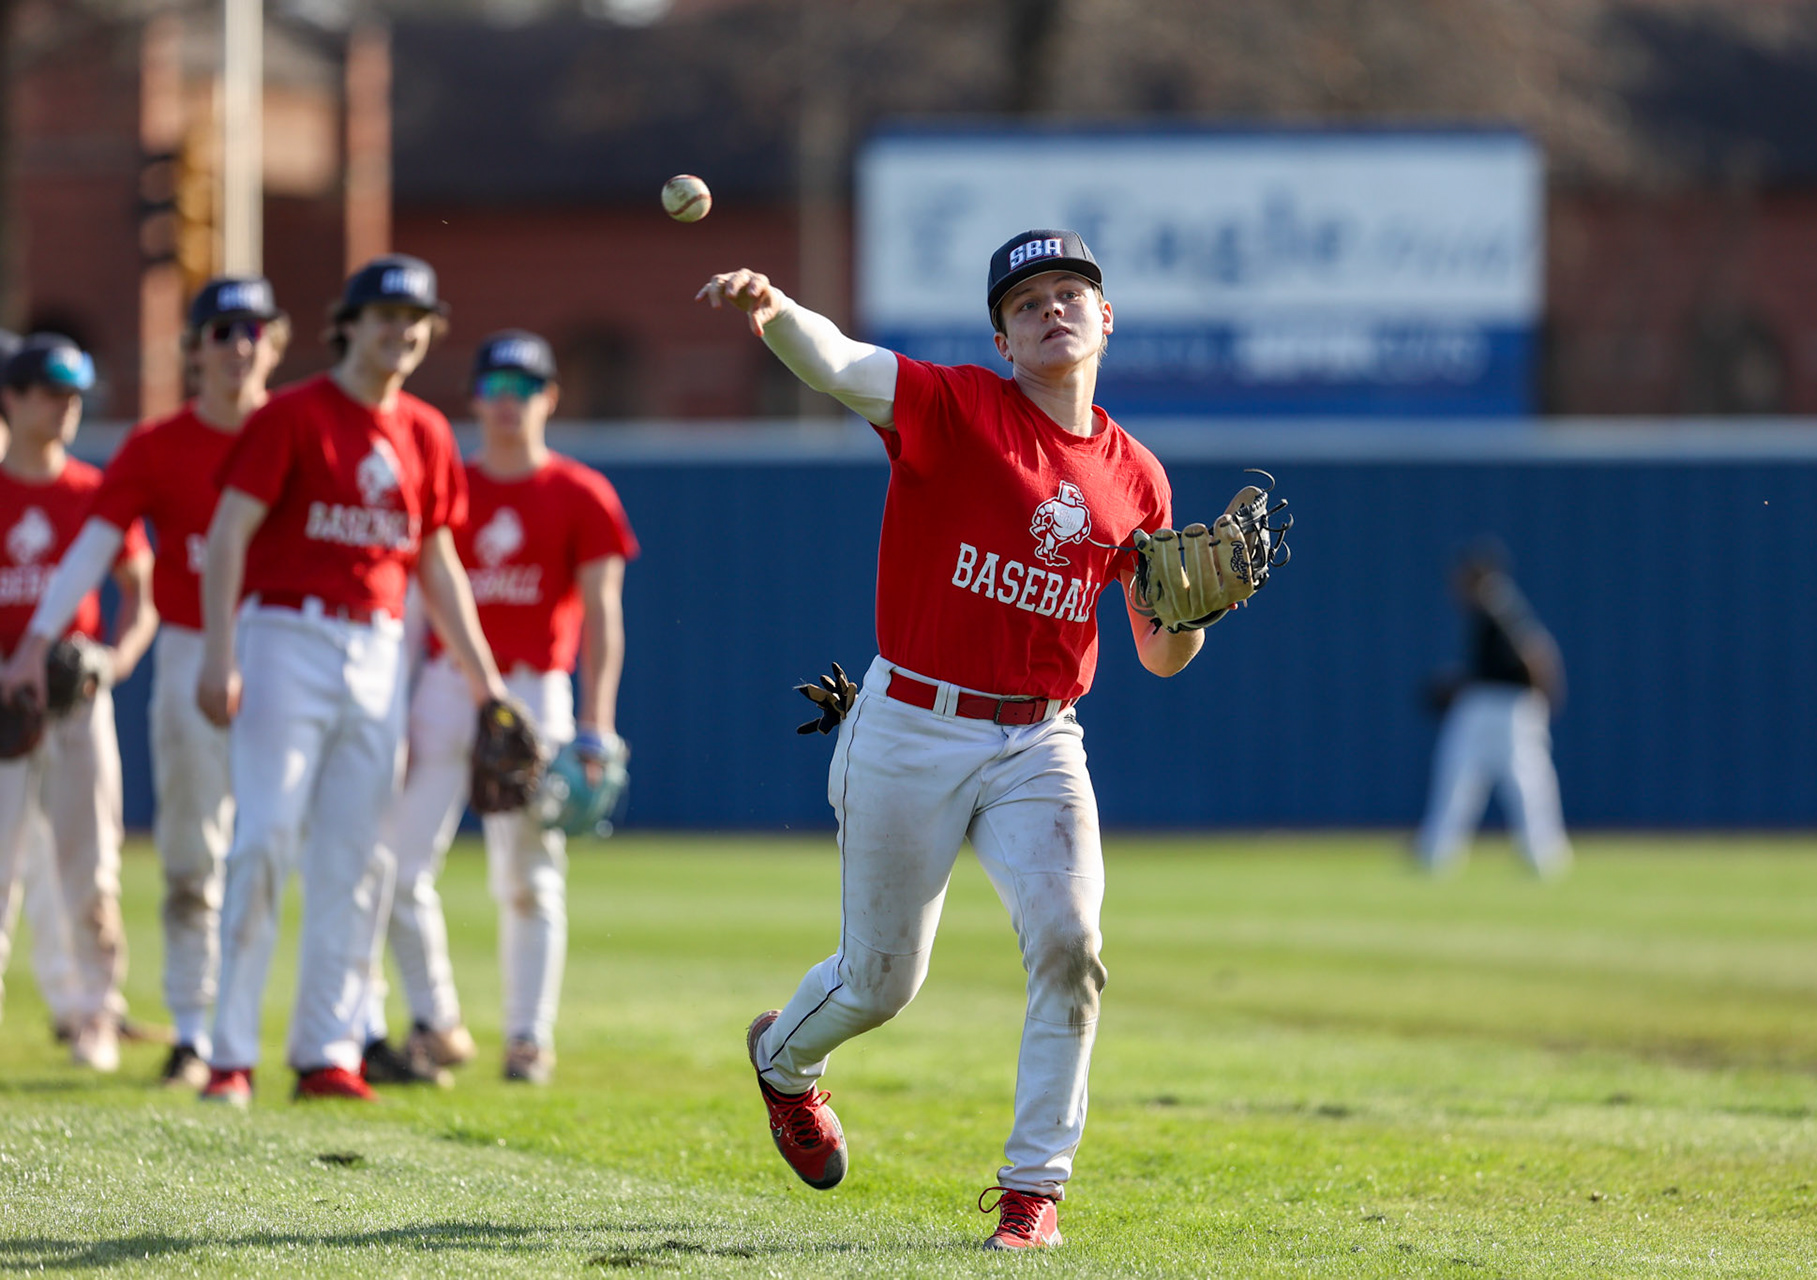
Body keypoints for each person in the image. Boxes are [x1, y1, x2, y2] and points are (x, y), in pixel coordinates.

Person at [698, 230, 1236, 1251]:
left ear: (1106, 317)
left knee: (1072, 946)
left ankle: (1035, 1193)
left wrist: (1202, 613)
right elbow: (845, 361)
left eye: (1072, 291)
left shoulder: (1138, 477)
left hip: (1040, 738)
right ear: (1002, 337)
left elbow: (1163, 656)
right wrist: (772, 310)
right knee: (880, 982)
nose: (1053, 309)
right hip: (910, 721)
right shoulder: (954, 407)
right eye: (1028, 300)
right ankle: (785, 1065)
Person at [194, 254, 510, 1106]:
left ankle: (328, 1050)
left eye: (417, 320)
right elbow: (227, 538)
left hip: (378, 649)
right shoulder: (292, 415)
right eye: (386, 317)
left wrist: (485, 684)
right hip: (283, 634)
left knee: (361, 856)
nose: (402, 333)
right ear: (349, 325)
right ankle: (228, 1053)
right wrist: (218, 653)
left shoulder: (428, 432)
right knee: (263, 839)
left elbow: (437, 564)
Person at [0, 278, 288, 1088]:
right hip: (86, 674)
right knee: (180, 855)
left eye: (253, 329)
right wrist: (32, 653)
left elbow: (137, 588)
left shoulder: (295, 427)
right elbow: (96, 559)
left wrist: (109, 661)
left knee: (280, 850)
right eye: (222, 330)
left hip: (255, 649)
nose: (240, 345)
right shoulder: (155, 451)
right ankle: (192, 1030)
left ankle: (330, 1031)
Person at [364, 329, 637, 1088]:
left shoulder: (581, 493)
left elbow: (603, 616)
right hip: (449, 688)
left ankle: (527, 1038)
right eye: (495, 389)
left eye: (524, 390)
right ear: (476, 398)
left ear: (549, 398)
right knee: (394, 861)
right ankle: (437, 1020)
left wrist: (597, 724)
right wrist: (401, 711)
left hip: (536, 691)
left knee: (529, 877)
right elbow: (418, 606)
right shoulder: (452, 481)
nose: (508, 404)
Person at [0, 335, 158, 1070]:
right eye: (49, 392)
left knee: (91, 864)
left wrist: (118, 661)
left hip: (76, 700)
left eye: (73, 395)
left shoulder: (94, 493)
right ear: (14, 396)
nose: (64, 407)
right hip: (4, 701)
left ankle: (97, 1014)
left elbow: (142, 595)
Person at [1414, 539, 1571, 877]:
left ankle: (1437, 856)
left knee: (1464, 777)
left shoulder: (1495, 603)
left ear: (1478, 576)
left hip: (1497, 707)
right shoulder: (1500, 606)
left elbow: (1533, 654)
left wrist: (1463, 685)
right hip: (1507, 705)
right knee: (1521, 782)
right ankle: (1543, 858)